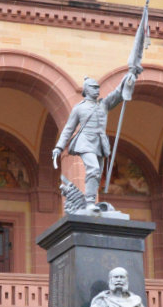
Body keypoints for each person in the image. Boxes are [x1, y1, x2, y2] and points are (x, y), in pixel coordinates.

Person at [52, 72, 137, 212]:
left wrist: (128, 79)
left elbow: (117, 94)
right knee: (94, 169)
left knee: (97, 175)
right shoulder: (79, 108)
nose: (97, 90)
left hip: (100, 143)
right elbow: (68, 128)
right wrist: (59, 147)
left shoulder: (103, 104)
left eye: (98, 87)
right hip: (85, 142)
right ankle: (90, 202)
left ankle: (90, 200)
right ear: (86, 90)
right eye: (93, 87)